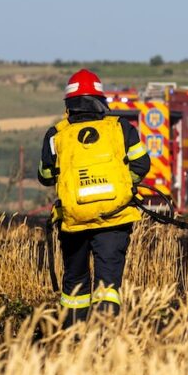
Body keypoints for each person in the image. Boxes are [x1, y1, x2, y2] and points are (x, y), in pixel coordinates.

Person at [38, 69, 151, 326]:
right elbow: (141, 164)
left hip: (74, 222)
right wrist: (123, 186)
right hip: (115, 220)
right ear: (101, 101)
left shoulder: (55, 134)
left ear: (69, 104)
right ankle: (106, 339)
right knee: (108, 286)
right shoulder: (121, 128)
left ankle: (71, 339)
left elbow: (44, 175)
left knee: (75, 287)